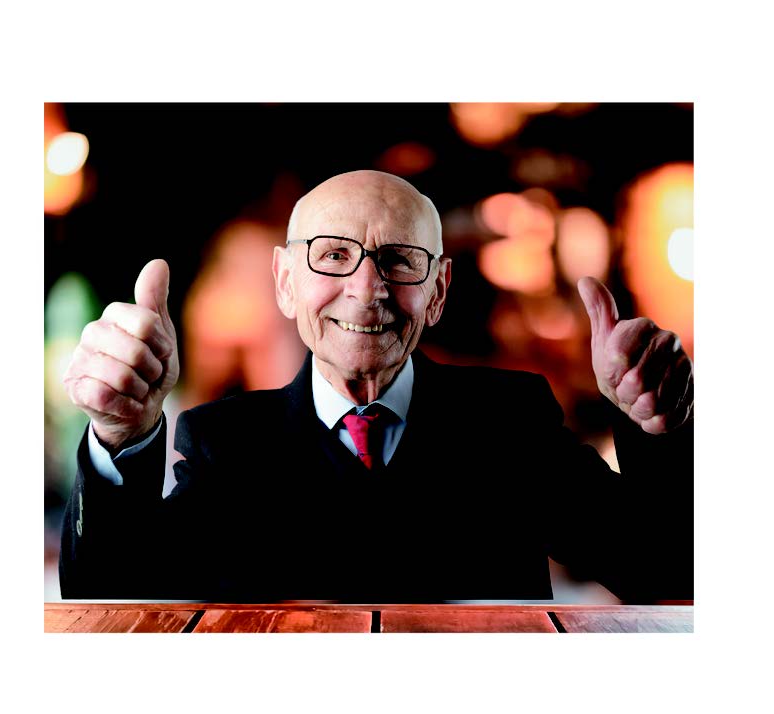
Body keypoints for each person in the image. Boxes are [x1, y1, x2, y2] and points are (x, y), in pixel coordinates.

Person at [59, 170, 693, 603]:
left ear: (439, 290)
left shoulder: (507, 419)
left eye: (398, 260)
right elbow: (112, 599)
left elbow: (662, 568)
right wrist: (120, 436)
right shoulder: (228, 442)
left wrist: (657, 428)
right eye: (333, 256)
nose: (368, 289)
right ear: (285, 283)